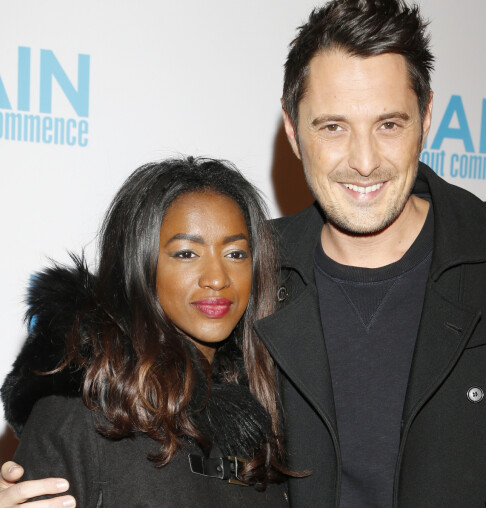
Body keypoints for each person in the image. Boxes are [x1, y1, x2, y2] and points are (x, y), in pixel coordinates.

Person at [2, 0, 486, 507]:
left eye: (389, 124)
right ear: (292, 130)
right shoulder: (252, 275)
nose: (363, 161)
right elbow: (120, 376)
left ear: (428, 118)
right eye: (332, 126)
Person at [0, 157, 289, 507]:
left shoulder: (269, 415)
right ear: (139, 265)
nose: (217, 278)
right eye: (186, 253)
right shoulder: (77, 411)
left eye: (235, 253)